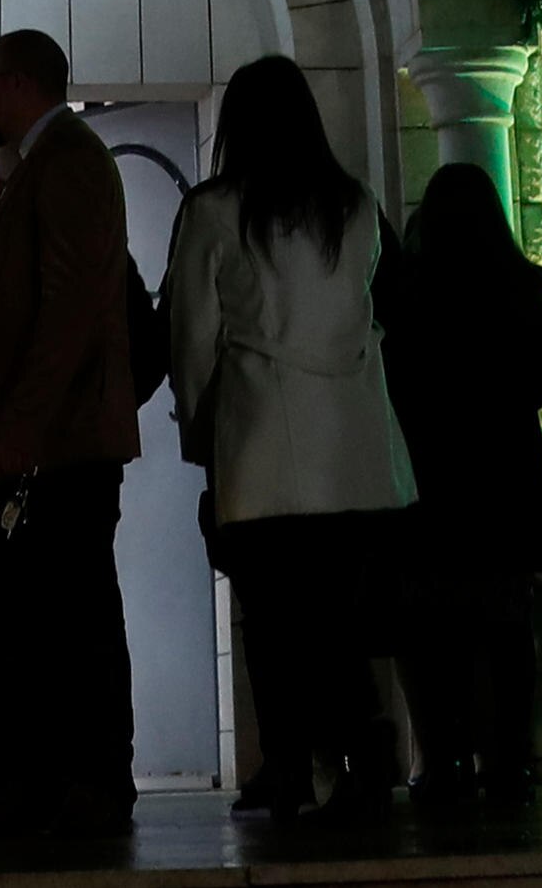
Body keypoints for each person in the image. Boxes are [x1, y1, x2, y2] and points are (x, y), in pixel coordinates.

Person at [167, 53, 415, 819]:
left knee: (275, 621)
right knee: (345, 617)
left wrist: (198, 423)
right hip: (357, 449)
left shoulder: (215, 209)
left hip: (262, 447)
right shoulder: (357, 205)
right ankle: (370, 756)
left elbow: (192, 333)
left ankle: (292, 764)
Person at [0, 27, 140, 837]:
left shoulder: (67, 160)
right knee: (50, 610)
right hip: (50, 438)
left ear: (19, 81)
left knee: (71, 611)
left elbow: (66, 305)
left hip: (61, 444)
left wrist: (18, 423)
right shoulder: (46, 161)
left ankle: (91, 773)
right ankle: (57, 772)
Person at [378, 162, 542, 806]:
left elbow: (395, 382)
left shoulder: (411, 292)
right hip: (504, 477)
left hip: (432, 477)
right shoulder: (519, 286)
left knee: (433, 627)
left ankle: (442, 756)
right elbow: (541, 379)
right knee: (507, 626)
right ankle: (507, 757)